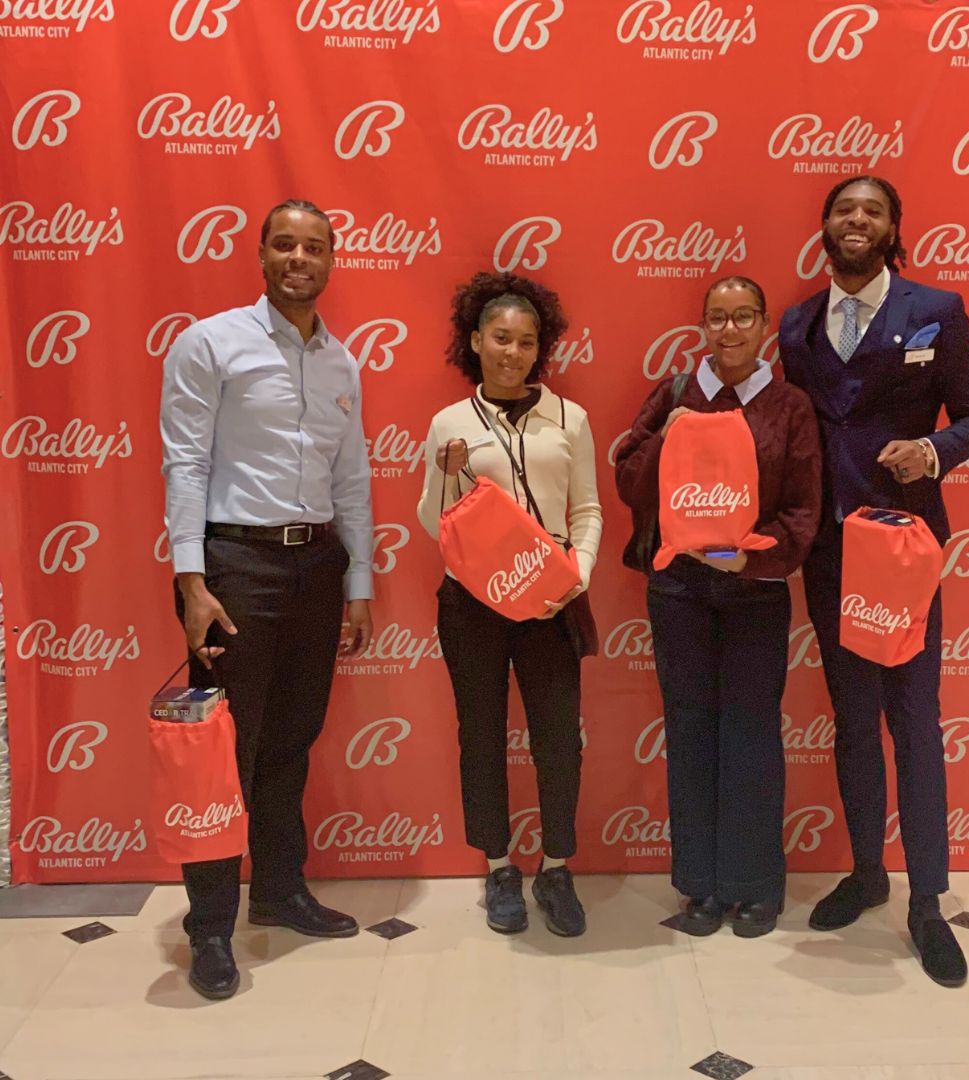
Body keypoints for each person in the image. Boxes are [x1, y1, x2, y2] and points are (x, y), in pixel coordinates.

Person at [780, 176, 969, 987]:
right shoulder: (796, 325)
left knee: (915, 719)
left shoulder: (937, 308)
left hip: (904, 549)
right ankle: (868, 871)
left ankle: (928, 901)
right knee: (851, 717)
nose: (856, 221)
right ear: (826, 228)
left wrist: (932, 452)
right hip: (832, 555)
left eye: (872, 210)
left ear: (894, 228)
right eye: (843, 210)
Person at [160, 199, 374, 1000]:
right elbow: (183, 463)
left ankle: (281, 891)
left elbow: (351, 483)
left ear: (330, 260)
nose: (299, 258)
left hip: (316, 566)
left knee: (290, 741)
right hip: (234, 567)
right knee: (222, 757)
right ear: (260, 254)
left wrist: (358, 585)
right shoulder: (210, 342)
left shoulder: (343, 363)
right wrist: (190, 581)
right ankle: (210, 928)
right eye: (284, 244)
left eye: (314, 246)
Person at [615, 275, 821, 938]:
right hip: (678, 590)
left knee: (752, 735)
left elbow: (804, 509)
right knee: (691, 729)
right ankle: (700, 885)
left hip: (754, 593)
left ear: (764, 327)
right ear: (702, 326)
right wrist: (667, 436)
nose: (728, 331)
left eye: (742, 318)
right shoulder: (678, 393)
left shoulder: (790, 406)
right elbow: (627, 479)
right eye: (716, 318)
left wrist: (753, 559)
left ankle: (755, 884)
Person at [416, 271, 602, 937]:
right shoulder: (450, 423)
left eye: (526, 341)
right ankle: (499, 867)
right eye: (500, 338)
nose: (513, 352)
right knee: (482, 736)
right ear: (475, 340)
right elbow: (434, 524)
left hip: (551, 601)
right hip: (474, 605)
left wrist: (573, 576)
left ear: (540, 348)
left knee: (559, 740)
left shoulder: (569, 419)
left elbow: (587, 510)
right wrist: (444, 474)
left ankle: (555, 867)